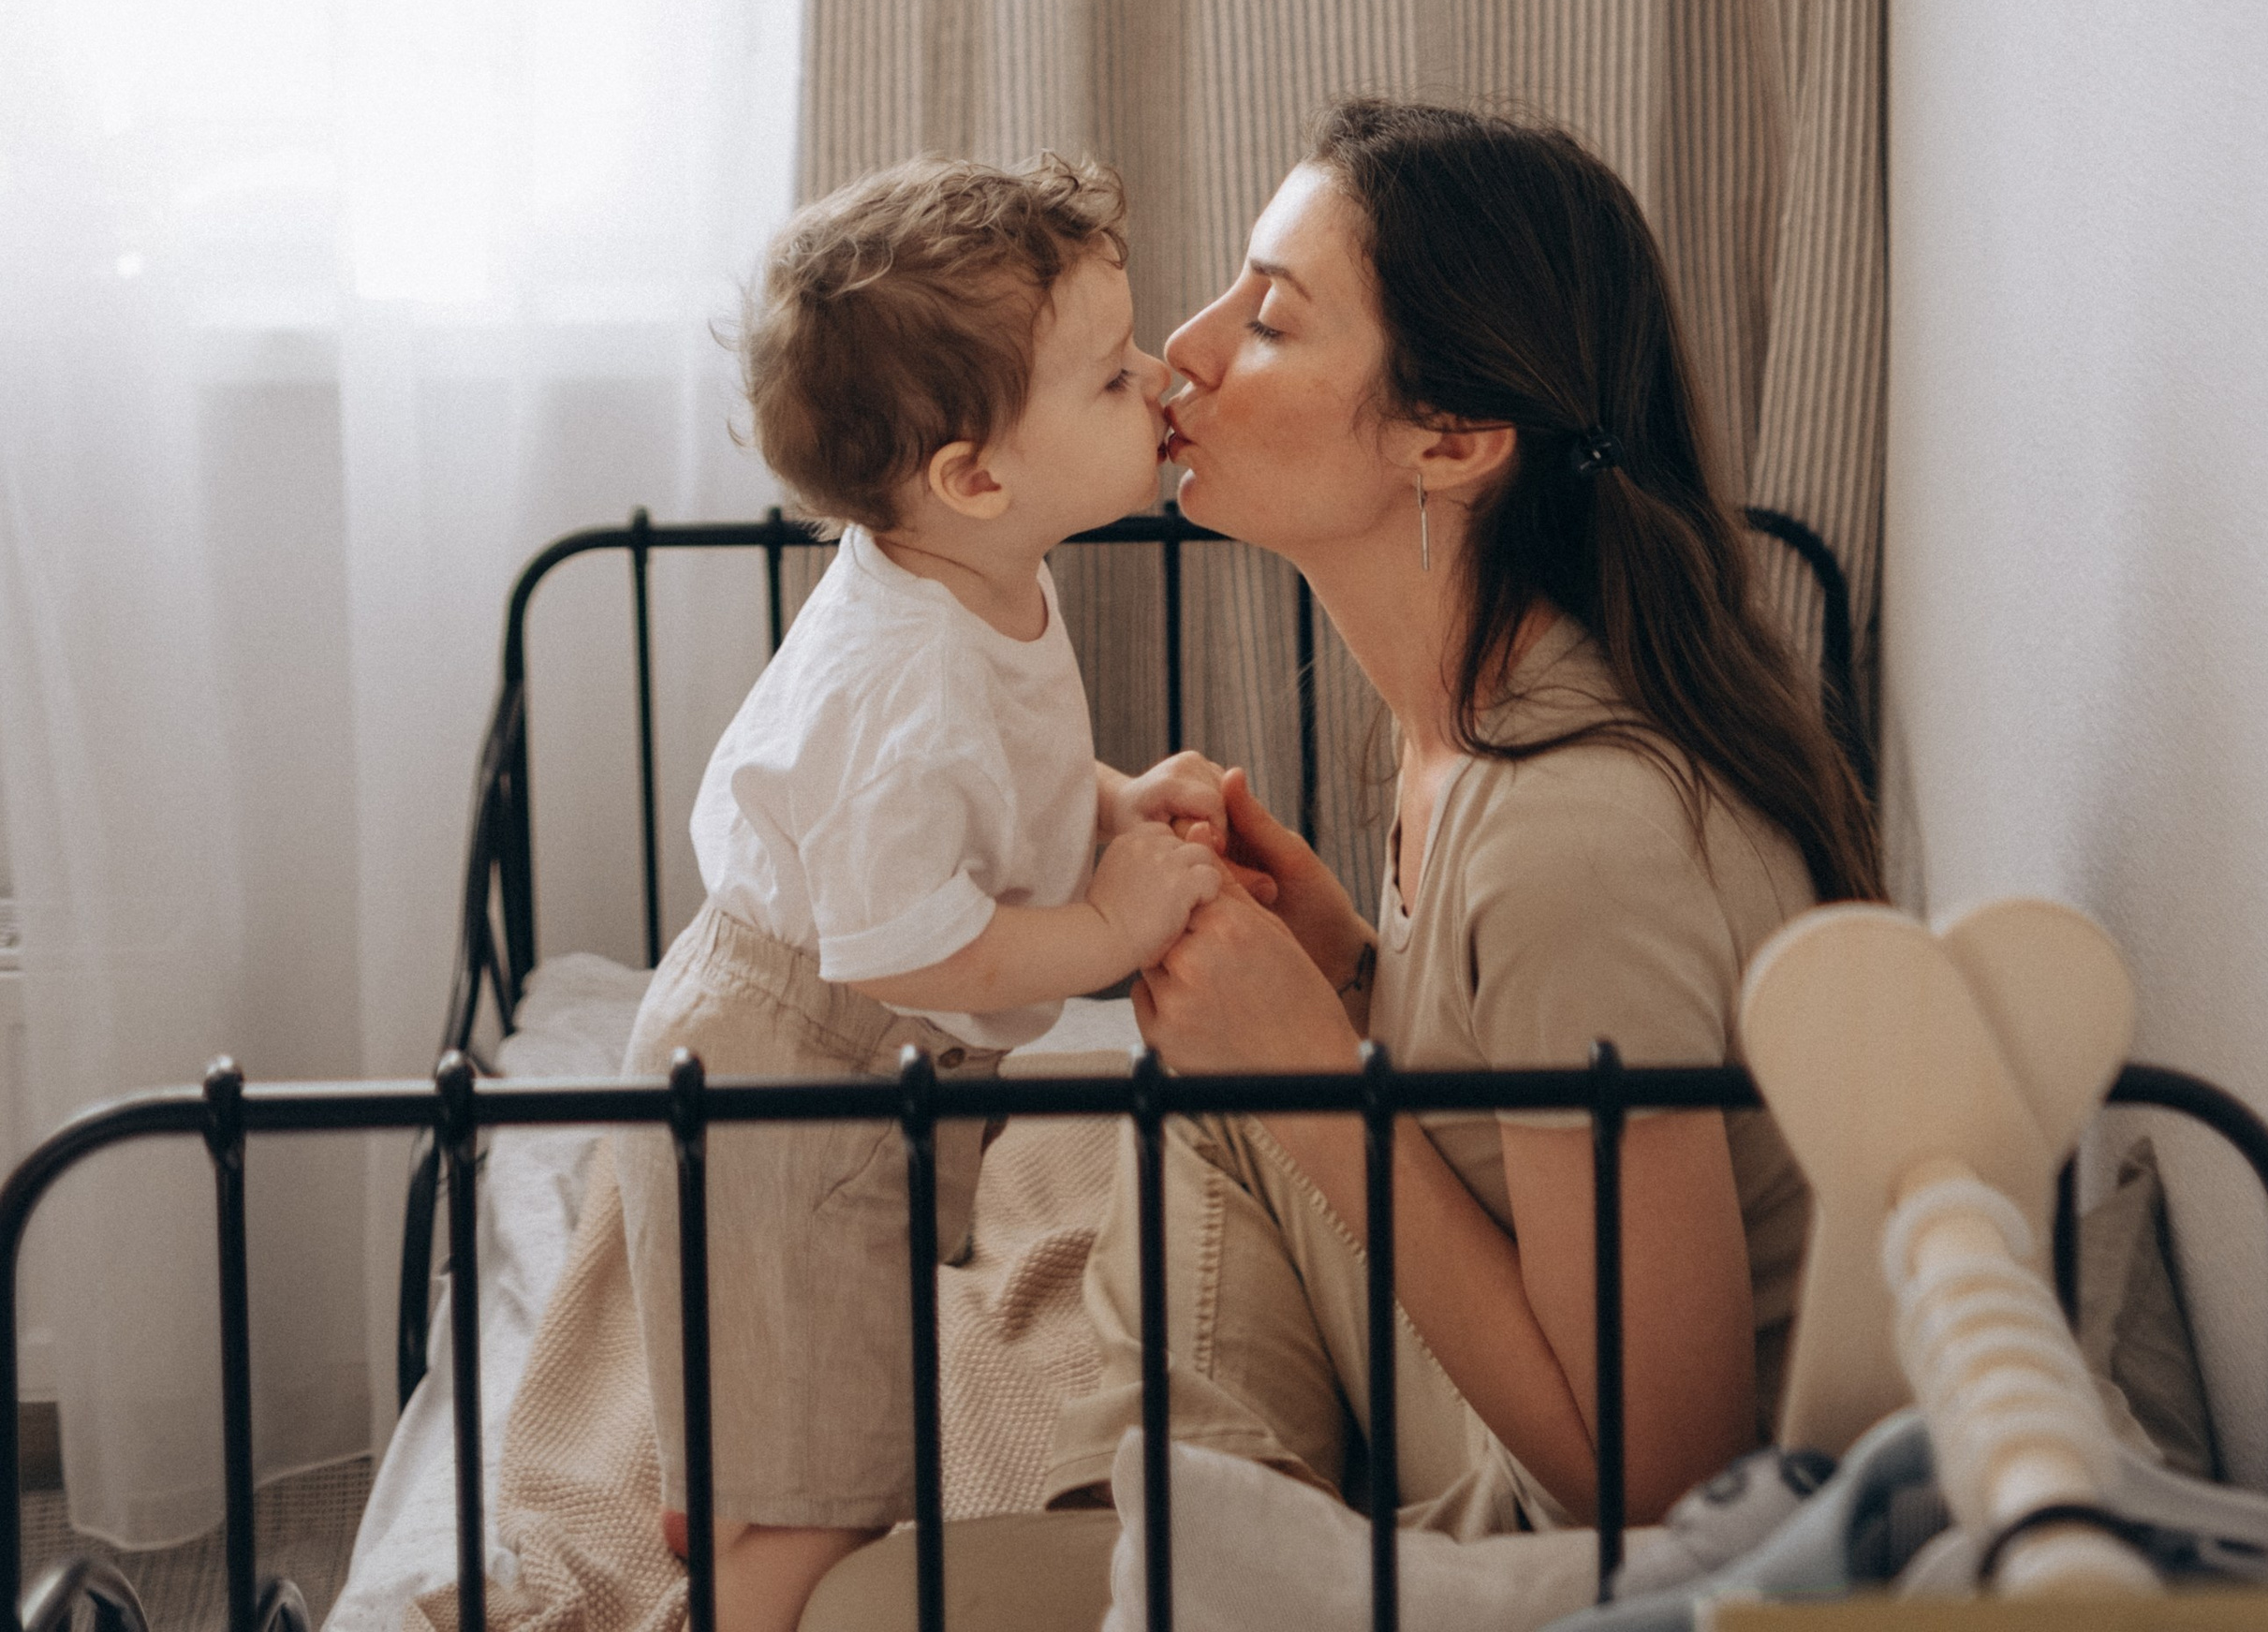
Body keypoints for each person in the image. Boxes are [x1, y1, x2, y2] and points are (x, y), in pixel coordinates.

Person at [1042, 96, 1883, 1542]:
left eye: (1271, 320)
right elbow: (1502, 1090)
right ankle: (1186, 1527)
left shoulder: (1578, 831)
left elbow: (1660, 1486)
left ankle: (1189, 1551)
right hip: (1510, 1402)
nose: (1183, 349)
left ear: (1451, 441)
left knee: (1231, 1099)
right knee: (1198, 1094)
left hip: (1587, 1534)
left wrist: (1309, 1065)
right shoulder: (1479, 704)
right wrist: (1351, 974)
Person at [617, 154, 1231, 1632]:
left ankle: (731, 1490)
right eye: (1107, 378)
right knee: (835, 1493)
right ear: (972, 472)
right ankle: (759, 1575)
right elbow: (910, 940)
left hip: (801, 1057)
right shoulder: (910, 671)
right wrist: (1109, 929)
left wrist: (1111, 804)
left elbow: (999, 786)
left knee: (782, 1385)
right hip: (793, 1073)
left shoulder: (963, 569)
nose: (1158, 380)